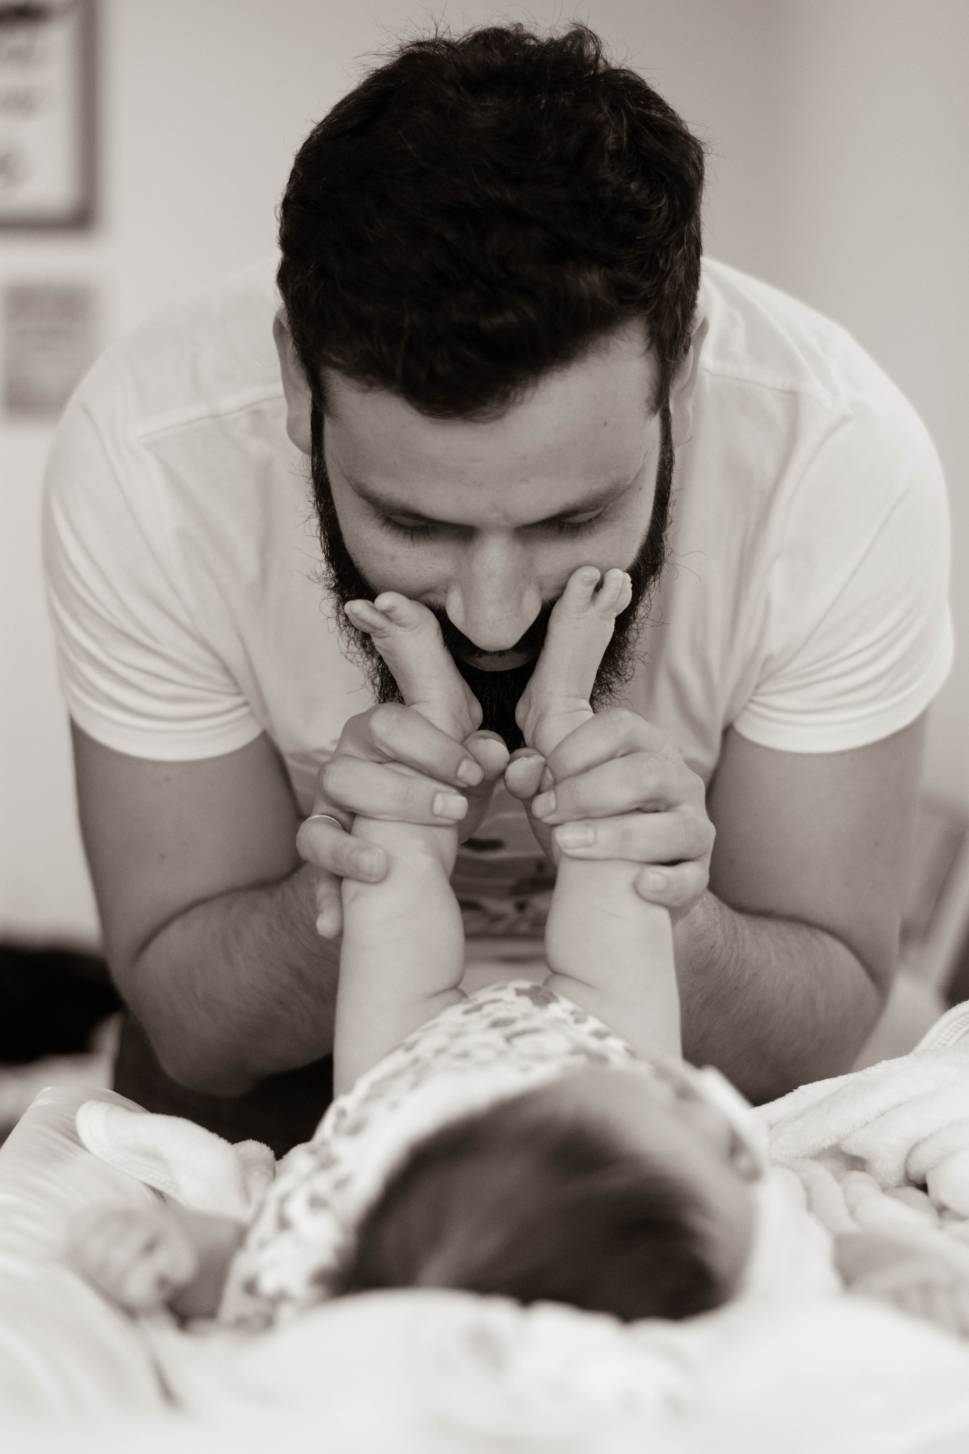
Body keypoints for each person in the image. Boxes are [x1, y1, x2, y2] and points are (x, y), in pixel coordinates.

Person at [43, 23, 953, 1154]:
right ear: (295, 381)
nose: (494, 613)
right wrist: (361, 874)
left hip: (693, 1065)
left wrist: (655, 897)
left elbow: (822, 1016)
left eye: (572, 520)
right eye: (411, 521)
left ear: (683, 375)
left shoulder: (840, 465)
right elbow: (194, 1029)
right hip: (294, 1064)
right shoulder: (150, 458)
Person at [69, 571, 969, 1344]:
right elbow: (822, 1243)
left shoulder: (372, 1251)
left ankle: (429, 714)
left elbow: (250, 1263)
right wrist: (895, 1276)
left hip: (402, 1096)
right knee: (616, 864)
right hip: (609, 1053)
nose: (717, 1126)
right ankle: (564, 708)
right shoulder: (721, 1253)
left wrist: (176, 1257)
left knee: (388, 886)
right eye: (710, 1146)